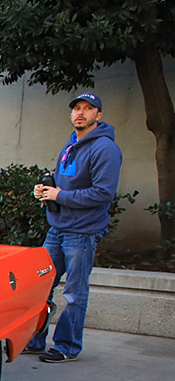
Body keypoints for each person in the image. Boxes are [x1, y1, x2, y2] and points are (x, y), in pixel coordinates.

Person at [25, 92, 122, 364]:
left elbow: (103, 193)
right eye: (77, 108)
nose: (81, 112)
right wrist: (46, 189)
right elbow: (64, 182)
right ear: (71, 114)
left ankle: (67, 346)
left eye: (88, 108)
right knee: (41, 285)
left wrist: (61, 196)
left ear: (98, 115)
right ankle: (33, 340)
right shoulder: (71, 144)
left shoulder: (105, 148)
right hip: (57, 229)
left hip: (82, 232)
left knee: (74, 293)